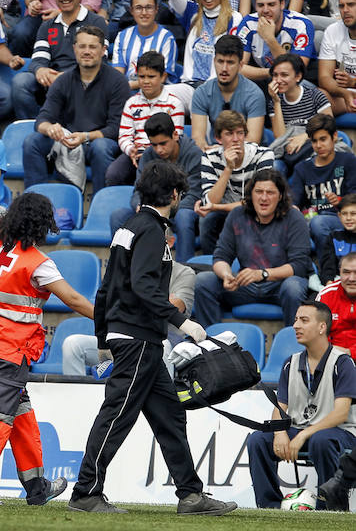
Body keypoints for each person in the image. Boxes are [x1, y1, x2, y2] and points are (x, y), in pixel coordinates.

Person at [68, 160, 236, 515]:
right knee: (116, 416)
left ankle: (190, 494)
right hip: (138, 339)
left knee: (170, 416)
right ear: (174, 195)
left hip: (132, 338)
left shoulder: (128, 228)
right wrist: (181, 321)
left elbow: (105, 289)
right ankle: (86, 492)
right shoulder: (152, 231)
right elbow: (144, 285)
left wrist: (102, 339)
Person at [0, 192, 94, 505]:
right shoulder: (37, 263)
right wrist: (108, 321)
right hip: (8, 350)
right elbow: (73, 299)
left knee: (20, 413)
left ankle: (36, 487)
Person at [246, 300, 356, 508]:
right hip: (300, 430)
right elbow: (280, 408)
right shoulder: (291, 362)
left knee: (321, 440)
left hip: (340, 432)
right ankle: (269, 507)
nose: (296, 325)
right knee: (258, 440)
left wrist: (304, 434)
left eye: (304, 320)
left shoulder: (343, 362)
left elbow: (341, 414)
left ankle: (332, 508)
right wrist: (279, 433)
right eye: (296, 320)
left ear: (322, 327)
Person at [194, 168, 311, 327]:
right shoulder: (237, 215)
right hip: (245, 286)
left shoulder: (294, 217)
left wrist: (262, 274)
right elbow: (221, 255)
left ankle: (296, 344)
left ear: (280, 196)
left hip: (280, 285)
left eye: (270, 192)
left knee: (294, 287)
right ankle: (211, 343)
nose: (264, 198)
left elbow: (299, 266)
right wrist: (226, 275)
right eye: (259, 192)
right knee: (203, 281)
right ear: (251, 194)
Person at [22, 25, 131, 193]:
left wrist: (86, 136)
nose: (86, 51)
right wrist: (50, 128)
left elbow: (116, 128)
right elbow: (42, 119)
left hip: (99, 142)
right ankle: (34, 203)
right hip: (68, 141)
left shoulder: (118, 82)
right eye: (82, 46)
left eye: (92, 47)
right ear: (74, 49)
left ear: (103, 50)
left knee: (100, 147)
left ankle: (99, 207)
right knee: (32, 142)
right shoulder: (63, 80)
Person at [63, 260, 196, 375]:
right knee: (73, 344)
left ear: (170, 243)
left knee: (162, 345)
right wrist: (159, 301)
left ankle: (165, 401)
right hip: (124, 336)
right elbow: (109, 305)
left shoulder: (184, 272)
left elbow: (176, 308)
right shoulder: (127, 267)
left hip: (164, 338)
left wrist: (130, 302)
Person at [11, 0, 109, 120]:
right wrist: (41, 70)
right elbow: (38, 59)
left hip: (83, 81)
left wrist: (66, 77)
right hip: (51, 81)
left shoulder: (96, 22)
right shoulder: (47, 25)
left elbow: (100, 64)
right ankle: (32, 125)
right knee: (21, 82)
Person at [110, 112, 204, 263]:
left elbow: (193, 196)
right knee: (118, 216)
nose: (159, 150)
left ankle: (184, 270)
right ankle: (124, 271)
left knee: (184, 216)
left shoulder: (195, 154)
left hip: (180, 212)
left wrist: (164, 212)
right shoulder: (148, 155)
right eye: (154, 145)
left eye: (163, 143)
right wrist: (140, 205)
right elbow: (138, 191)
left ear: (175, 135)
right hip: (154, 213)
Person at [197, 110, 274, 254]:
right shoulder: (209, 158)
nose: (236, 139)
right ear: (218, 138)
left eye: (240, 133)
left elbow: (258, 202)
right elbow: (210, 201)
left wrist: (216, 207)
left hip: (254, 210)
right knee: (206, 219)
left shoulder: (263, 155)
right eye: (229, 134)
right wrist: (228, 168)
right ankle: (211, 264)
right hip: (223, 211)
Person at [166, 0, 244, 110]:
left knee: (205, 109)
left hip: (217, 89)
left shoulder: (234, 18)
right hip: (189, 86)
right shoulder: (192, 12)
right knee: (159, 96)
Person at [106, 51, 185, 187]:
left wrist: (151, 153)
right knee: (113, 174)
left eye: (151, 76)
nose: (146, 81)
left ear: (163, 77)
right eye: (141, 77)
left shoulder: (174, 103)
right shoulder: (131, 102)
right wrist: (131, 150)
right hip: (135, 153)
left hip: (162, 155)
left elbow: (177, 137)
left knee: (149, 177)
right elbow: (124, 136)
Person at [289, 114, 356, 245]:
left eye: (323, 139)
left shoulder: (348, 161)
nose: (318, 145)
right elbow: (294, 201)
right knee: (316, 222)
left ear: (334, 136)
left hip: (344, 217)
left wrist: (340, 202)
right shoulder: (302, 169)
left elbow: (354, 195)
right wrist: (293, 208)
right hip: (313, 219)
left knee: (319, 222)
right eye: (314, 141)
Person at [190, 35, 266, 150]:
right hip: (215, 151)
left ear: (240, 66)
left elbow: (252, 140)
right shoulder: (202, 92)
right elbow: (198, 138)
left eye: (230, 63)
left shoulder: (254, 94)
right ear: (214, 61)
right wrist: (209, 151)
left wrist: (225, 154)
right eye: (220, 61)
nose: (224, 68)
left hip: (247, 154)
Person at [237, 0, 316, 84]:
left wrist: (270, 39)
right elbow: (237, 68)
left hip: (298, 82)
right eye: (260, 5)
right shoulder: (248, 23)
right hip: (262, 79)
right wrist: (271, 72)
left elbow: (296, 70)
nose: (265, 10)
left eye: (271, 4)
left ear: (282, 4)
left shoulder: (301, 24)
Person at [267, 55, 333, 174]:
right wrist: (277, 102)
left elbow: (330, 127)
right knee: (274, 167)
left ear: (298, 76)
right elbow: (280, 137)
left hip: (313, 149)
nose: (278, 80)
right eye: (275, 75)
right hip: (288, 154)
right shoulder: (274, 101)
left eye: (284, 75)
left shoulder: (315, 96)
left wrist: (305, 136)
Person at [111, 0, 178, 91]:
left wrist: (126, 87)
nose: (144, 12)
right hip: (127, 93)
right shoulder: (122, 36)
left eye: (149, 7)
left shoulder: (166, 38)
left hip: (157, 95)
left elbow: (162, 77)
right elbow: (118, 72)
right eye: (138, 8)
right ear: (131, 11)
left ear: (156, 9)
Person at [317, 0, 356, 115]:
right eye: (341, 6)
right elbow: (324, 77)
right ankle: (330, 134)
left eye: (351, 5)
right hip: (343, 96)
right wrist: (345, 93)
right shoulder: (333, 31)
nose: (345, 10)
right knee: (319, 96)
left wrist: (353, 82)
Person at [318, 251, 356, 355]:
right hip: (330, 357)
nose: (352, 278)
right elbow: (315, 333)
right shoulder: (326, 295)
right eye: (346, 272)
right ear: (339, 273)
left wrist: (350, 352)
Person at [318, 193, 356, 285]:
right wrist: (329, 282)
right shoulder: (333, 237)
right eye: (344, 214)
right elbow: (328, 267)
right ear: (339, 216)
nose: (348, 218)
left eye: (353, 214)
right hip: (339, 285)